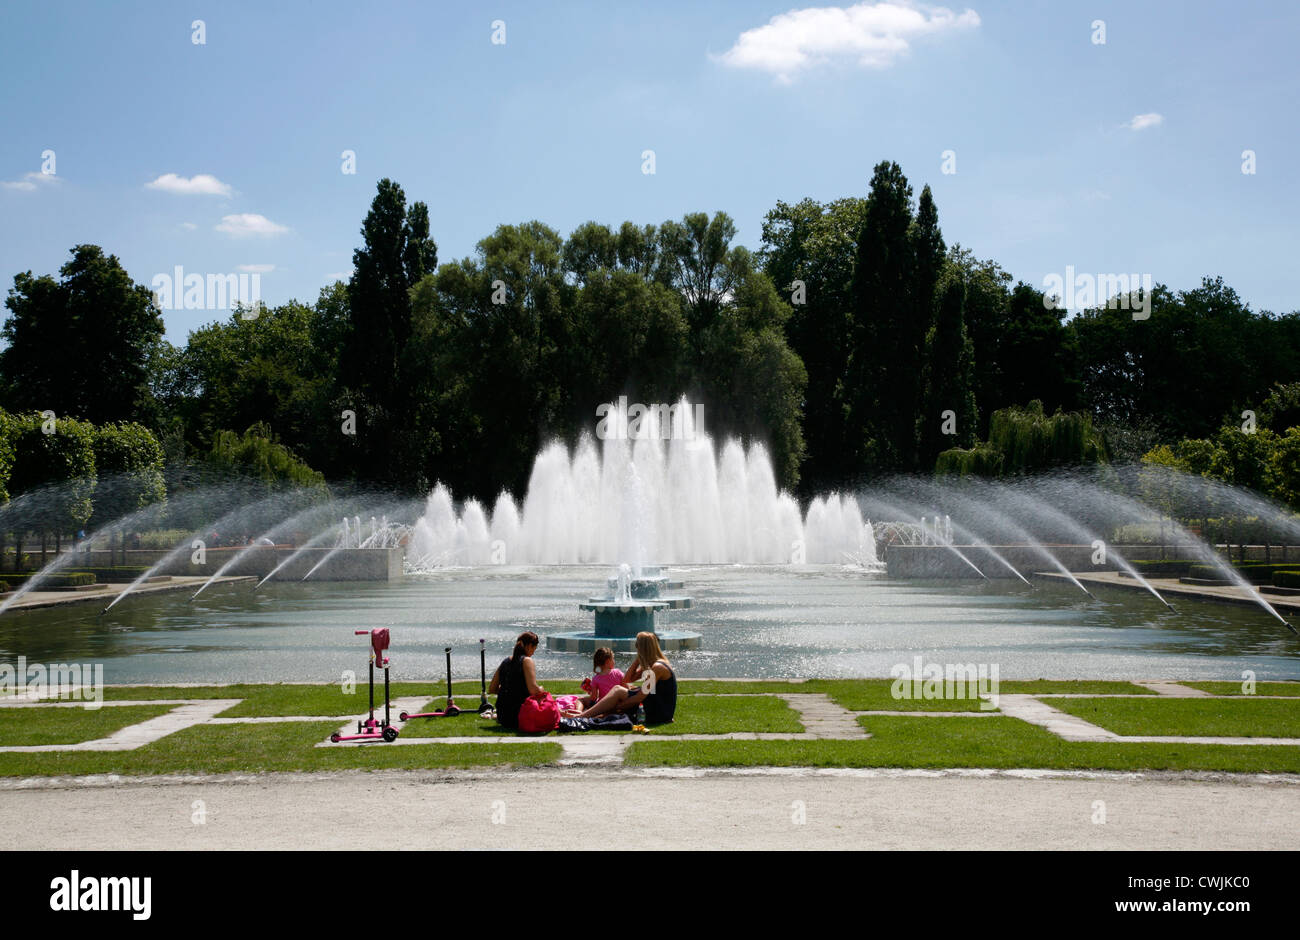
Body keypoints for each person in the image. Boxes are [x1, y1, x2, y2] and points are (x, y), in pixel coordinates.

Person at [574, 632, 677, 725]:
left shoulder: (657, 668)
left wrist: (616, 707)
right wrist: (638, 659)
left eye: (637, 646)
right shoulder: (652, 664)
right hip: (655, 704)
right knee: (624, 689)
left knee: (617, 690)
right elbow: (628, 679)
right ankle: (586, 715)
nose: (636, 648)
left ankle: (581, 716)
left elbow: (639, 697)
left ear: (643, 648)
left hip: (659, 713)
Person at [488, 631, 545, 729]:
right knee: (546, 701)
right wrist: (541, 689)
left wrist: (508, 691)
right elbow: (533, 690)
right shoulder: (527, 661)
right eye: (534, 649)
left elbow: (492, 689)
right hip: (520, 714)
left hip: (503, 716)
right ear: (529, 646)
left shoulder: (505, 661)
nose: (533, 653)